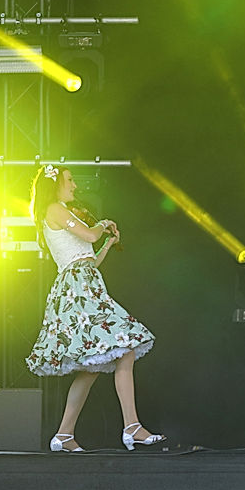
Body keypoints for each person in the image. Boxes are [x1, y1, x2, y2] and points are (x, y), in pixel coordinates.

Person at [25, 165, 163, 452]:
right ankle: (131, 426)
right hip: (78, 290)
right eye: (70, 180)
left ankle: (64, 435)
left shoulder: (61, 211)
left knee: (93, 367)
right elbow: (89, 236)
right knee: (123, 349)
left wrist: (108, 245)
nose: (74, 186)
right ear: (56, 185)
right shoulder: (54, 209)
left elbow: (87, 259)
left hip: (86, 285)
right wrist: (103, 223)